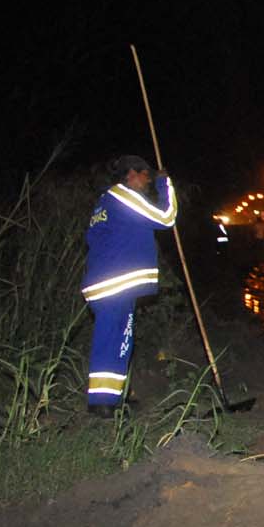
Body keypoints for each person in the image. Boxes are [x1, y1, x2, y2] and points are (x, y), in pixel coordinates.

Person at [81, 155, 177, 418]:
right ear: (131, 175)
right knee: (114, 341)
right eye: (146, 175)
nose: (148, 181)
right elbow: (166, 218)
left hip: (110, 284)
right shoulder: (123, 196)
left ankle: (109, 399)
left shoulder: (106, 202)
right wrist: (164, 184)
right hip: (114, 284)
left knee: (116, 341)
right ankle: (103, 404)